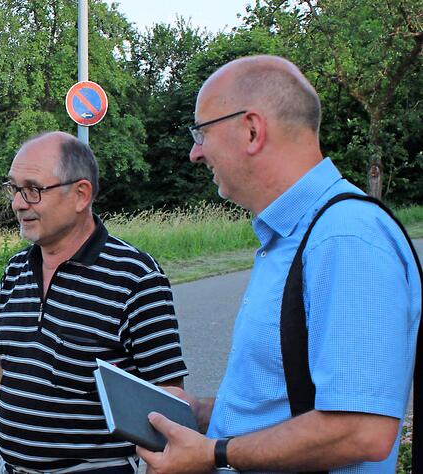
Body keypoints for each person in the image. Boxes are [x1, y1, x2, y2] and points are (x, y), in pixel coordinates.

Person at [137, 55, 421, 473]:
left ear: (251, 130)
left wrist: (215, 453)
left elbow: (362, 429)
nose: (196, 153)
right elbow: (287, 402)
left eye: (201, 132)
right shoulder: (296, 235)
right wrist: (202, 413)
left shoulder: (345, 237)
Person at [0, 131, 188, 474]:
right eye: (14, 189)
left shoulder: (135, 277)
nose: (18, 203)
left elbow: (167, 399)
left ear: (81, 194)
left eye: (33, 189)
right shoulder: (17, 270)